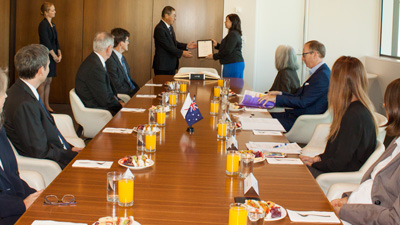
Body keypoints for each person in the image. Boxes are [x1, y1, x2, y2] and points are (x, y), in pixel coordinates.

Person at [331, 78, 400, 225]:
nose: (384, 105)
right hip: (355, 207)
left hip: (360, 217)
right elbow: (375, 183)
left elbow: (393, 219)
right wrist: (348, 198)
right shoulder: (396, 142)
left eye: (388, 102)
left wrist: (347, 211)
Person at [4, 44, 81, 169]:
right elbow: (39, 150)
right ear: (41, 70)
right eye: (48, 66)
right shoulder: (24, 103)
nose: (48, 69)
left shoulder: (25, 91)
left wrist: (71, 148)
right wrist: (70, 155)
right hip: (53, 165)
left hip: (59, 152)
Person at [299, 56, 377, 178]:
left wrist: (315, 165)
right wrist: (317, 159)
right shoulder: (356, 110)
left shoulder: (353, 117)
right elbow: (336, 154)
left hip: (337, 176)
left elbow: (339, 163)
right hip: (337, 171)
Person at [0, 69, 43, 224]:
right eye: (3, 92)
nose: (6, 96)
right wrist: (22, 205)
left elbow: (12, 175)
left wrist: (35, 195)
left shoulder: (0, 129)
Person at [258, 40, 331, 131]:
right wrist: (280, 94)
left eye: (304, 55)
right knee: (260, 116)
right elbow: (299, 96)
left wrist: (276, 98)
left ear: (315, 54)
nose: (302, 59)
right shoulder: (320, 72)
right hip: (295, 115)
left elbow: (303, 102)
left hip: (301, 122)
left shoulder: (322, 76)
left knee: (260, 122)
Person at [75, 32, 124, 115]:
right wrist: (121, 106)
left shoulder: (95, 61)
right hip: (99, 112)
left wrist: (120, 102)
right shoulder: (94, 67)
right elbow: (105, 99)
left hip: (102, 107)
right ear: (109, 48)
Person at [152, 6, 197, 75]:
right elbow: (168, 46)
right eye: (174, 16)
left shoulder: (170, 27)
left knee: (170, 85)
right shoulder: (159, 29)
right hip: (163, 66)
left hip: (170, 65)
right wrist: (182, 52)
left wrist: (186, 46)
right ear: (166, 16)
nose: (175, 18)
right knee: (163, 86)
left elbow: (173, 43)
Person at [38, 2, 61, 113]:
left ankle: (47, 105)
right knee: (43, 81)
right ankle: (41, 105)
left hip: (53, 56)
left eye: (54, 10)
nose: (54, 12)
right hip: (46, 55)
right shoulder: (43, 25)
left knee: (49, 80)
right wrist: (54, 55)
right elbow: (46, 42)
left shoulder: (53, 24)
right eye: (52, 10)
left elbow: (56, 41)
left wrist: (59, 53)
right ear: (46, 12)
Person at [206, 14, 245, 78]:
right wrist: (217, 45)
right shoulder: (233, 33)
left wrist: (214, 56)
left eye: (226, 21)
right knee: (229, 85)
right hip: (231, 63)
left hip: (233, 65)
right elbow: (228, 47)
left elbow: (227, 51)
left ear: (232, 22)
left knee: (232, 86)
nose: (225, 22)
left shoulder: (233, 34)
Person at [106, 28, 140, 97]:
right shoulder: (110, 60)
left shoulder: (122, 58)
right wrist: (134, 93)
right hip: (125, 95)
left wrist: (139, 90)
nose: (128, 42)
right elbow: (117, 86)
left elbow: (128, 80)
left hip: (132, 91)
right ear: (121, 43)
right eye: (127, 40)